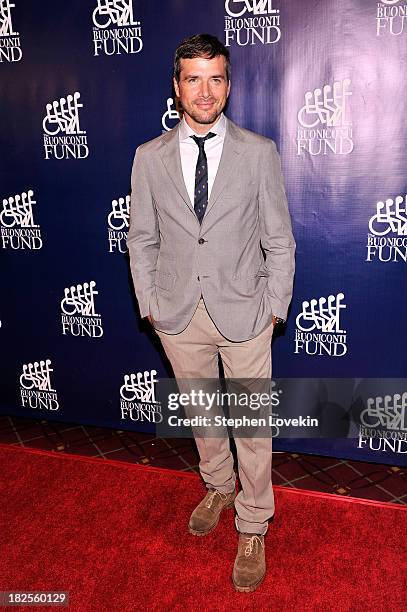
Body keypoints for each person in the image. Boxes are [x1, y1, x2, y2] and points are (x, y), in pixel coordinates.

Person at [127, 33, 296, 593]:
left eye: (216, 78)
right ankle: (218, 485)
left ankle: (253, 523)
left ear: (229, 84)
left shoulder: (258, 152)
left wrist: (275, 307)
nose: (205, 90)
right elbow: (142, 239)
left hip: (246, 311)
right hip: (178, 315)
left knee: (252, 427)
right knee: (203, 416)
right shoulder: (148, 158)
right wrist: (150, 304)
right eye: (193, 78)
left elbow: (279, 239)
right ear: (176, 86)